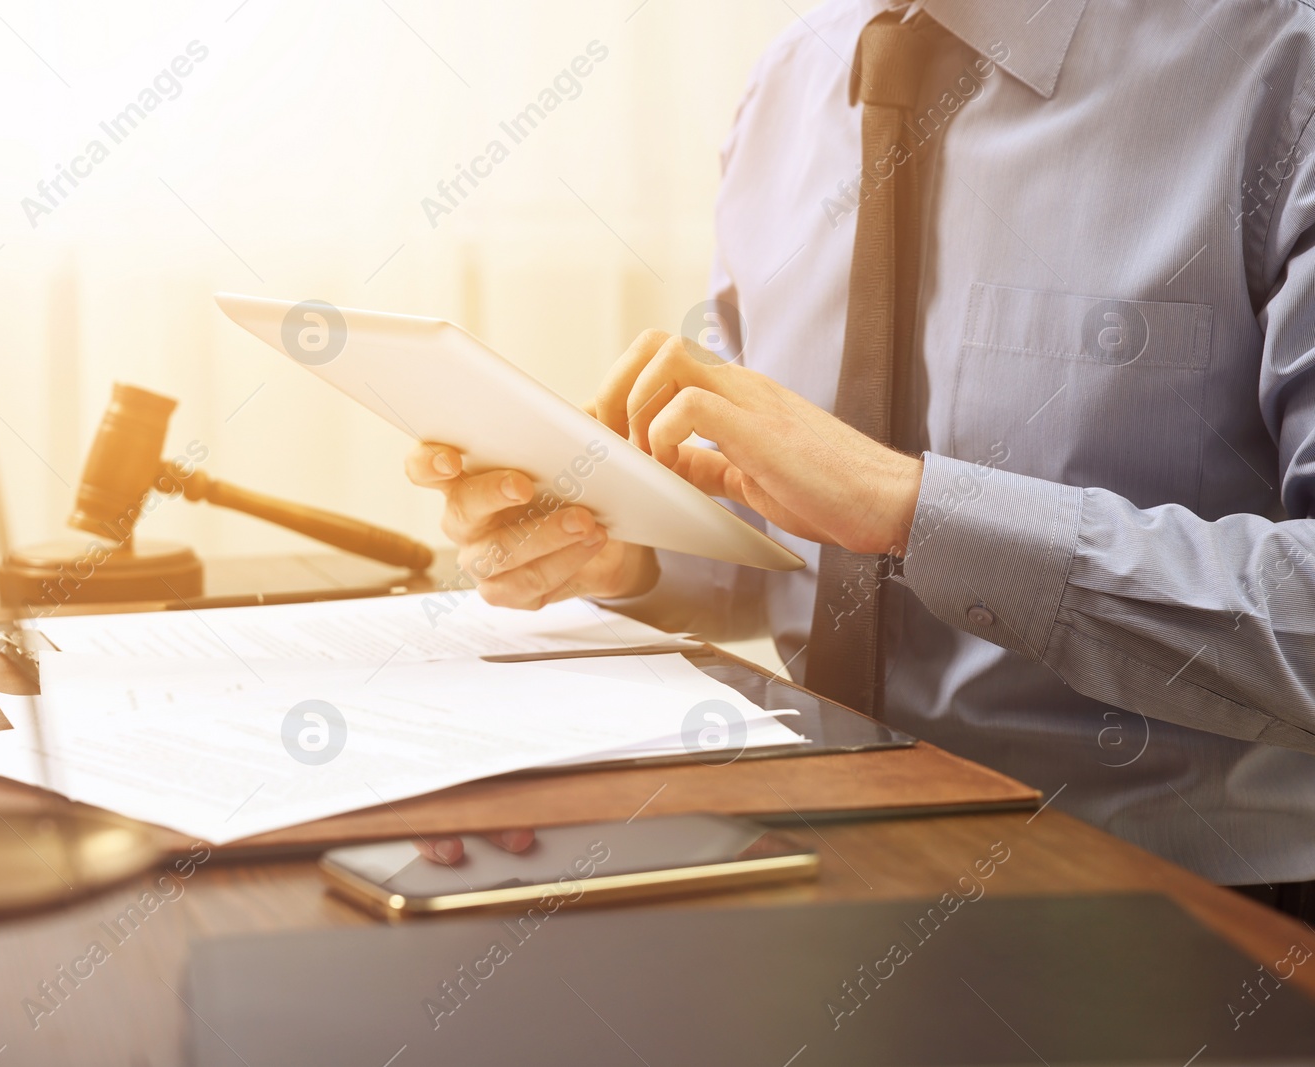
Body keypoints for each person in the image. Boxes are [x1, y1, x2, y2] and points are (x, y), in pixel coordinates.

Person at [405, 0, 1315, 922]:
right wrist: (628, 547)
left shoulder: (1286, 68)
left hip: (1186, 907)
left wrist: (914, 508)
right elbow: (785, 512)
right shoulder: (794, 76)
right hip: (806, 860)